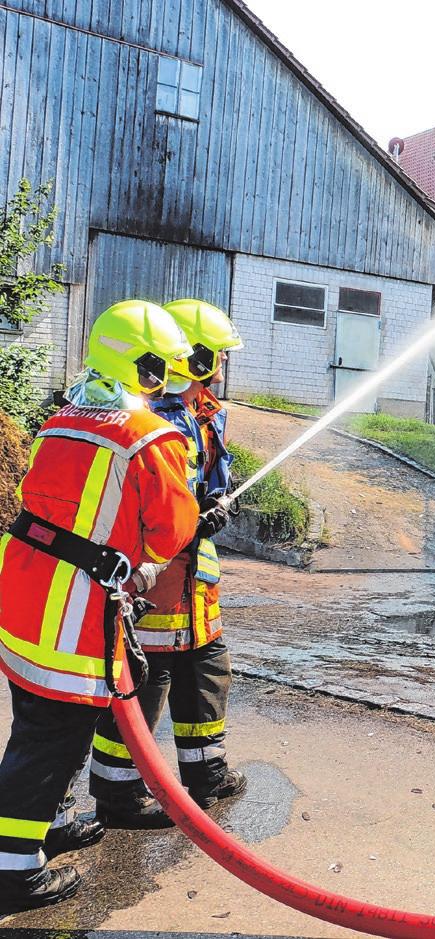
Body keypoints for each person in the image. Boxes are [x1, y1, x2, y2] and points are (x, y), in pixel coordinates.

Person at [0, 300, 200, 913]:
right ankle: (13, 870)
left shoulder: (61, 421)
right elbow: (171, 525)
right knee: (48, 742)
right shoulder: (148, 437)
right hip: (73, 617)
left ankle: (49, 825)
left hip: (25, 597)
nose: (169, 381)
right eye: (164, 369)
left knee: (38, 724)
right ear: (146, 370)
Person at [90, 299, 246, 828]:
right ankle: (119, 794)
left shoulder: (207, 415)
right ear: (195, 358)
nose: (222, 367)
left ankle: (206, 773)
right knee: (144, 679)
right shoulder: (149, 419)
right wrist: (185, 518)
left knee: (207, 669)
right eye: (217, 356)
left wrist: (218, 504)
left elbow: (210, 481)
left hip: (195, 581)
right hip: (155, 578)